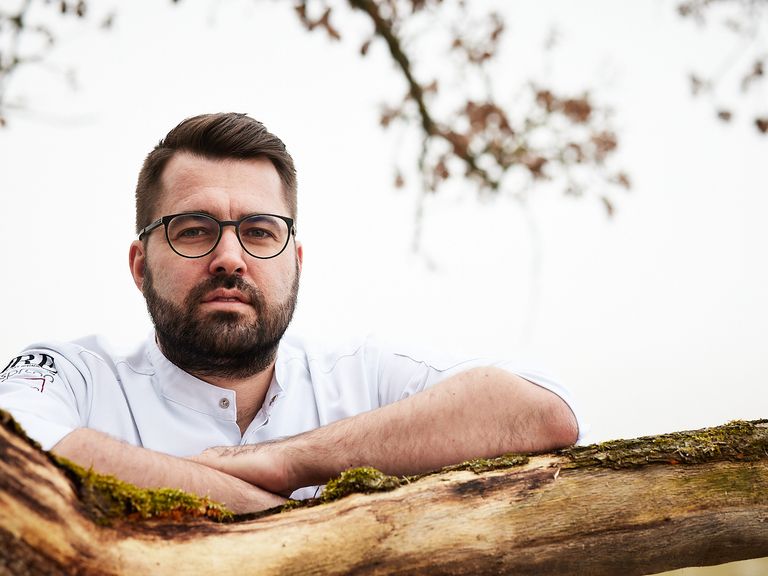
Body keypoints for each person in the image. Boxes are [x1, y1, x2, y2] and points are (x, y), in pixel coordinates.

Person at [0, 112, 582, 512]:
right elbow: (14, 444)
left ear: (296, 262)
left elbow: (543, 411)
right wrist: (272, 512)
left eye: (259, 231)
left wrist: (286, 461)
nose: (230, 258)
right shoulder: (74, 376)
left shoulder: (362, 379)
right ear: (139, 264)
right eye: (194, 230)